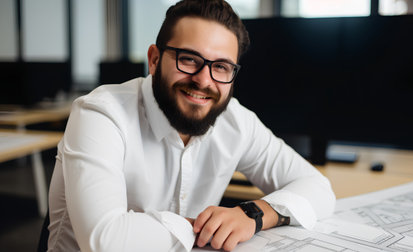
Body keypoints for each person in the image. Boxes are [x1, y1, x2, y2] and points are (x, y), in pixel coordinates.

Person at [47, 0, 336, 251]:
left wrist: (254, 214)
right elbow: (104, 242)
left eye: (221, 66)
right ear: (154, 59)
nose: (204, 80)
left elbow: (319, 189)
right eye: (189, 59)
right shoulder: (100, 114)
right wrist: (206, 229)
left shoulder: (236, 121)